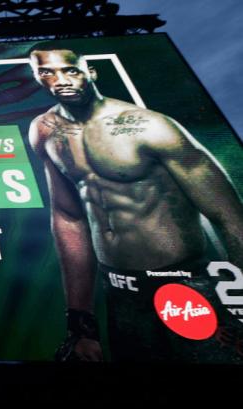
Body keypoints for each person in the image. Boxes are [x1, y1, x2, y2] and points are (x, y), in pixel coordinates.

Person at [27, 42, 243, 362]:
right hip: (119, 292)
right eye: (46, 73)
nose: (60, 80)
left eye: (70, 70)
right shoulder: (45, 130)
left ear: (91, 71)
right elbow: (68, 217)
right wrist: (80, 323)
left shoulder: (149, 126)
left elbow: (227, 214)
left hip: (188, 287)